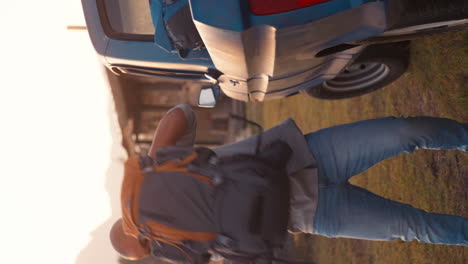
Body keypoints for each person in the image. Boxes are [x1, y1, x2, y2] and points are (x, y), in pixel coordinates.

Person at [110, 104, 468, 261]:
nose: (156, 249)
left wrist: (157, 163)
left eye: (148, 245)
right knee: (415, 226)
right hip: (312, 215)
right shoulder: (181, 247)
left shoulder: (163, 178)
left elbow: (181, 115)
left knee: (404, 132)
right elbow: (182, 112)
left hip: (304, 155)